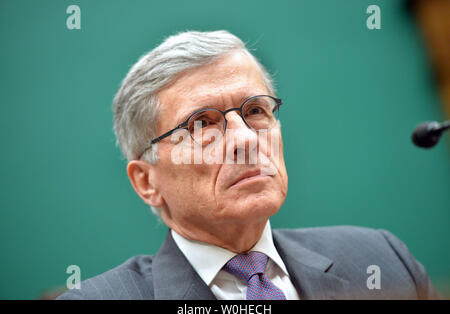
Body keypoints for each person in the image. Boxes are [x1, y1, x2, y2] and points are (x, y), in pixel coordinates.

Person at [58, 30, 439, 300]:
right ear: (146, 181)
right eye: (203, 124)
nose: (245, 140)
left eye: (255, 110)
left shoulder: (382, 260)